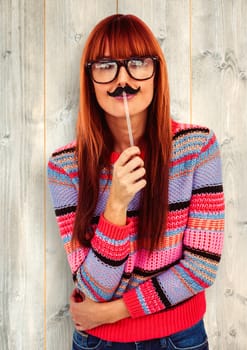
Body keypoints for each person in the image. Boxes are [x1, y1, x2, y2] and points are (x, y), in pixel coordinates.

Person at [47, 14, 224, 350]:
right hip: (98, 344)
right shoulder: (65, 167)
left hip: (180, 339)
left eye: (138, 63)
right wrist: (115, 206)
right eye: (105, 66)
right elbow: (93, 290)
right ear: (90, 79)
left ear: (157, 72)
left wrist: (114, 312)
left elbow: (201, 267)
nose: (122, 79)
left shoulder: (197, 148)